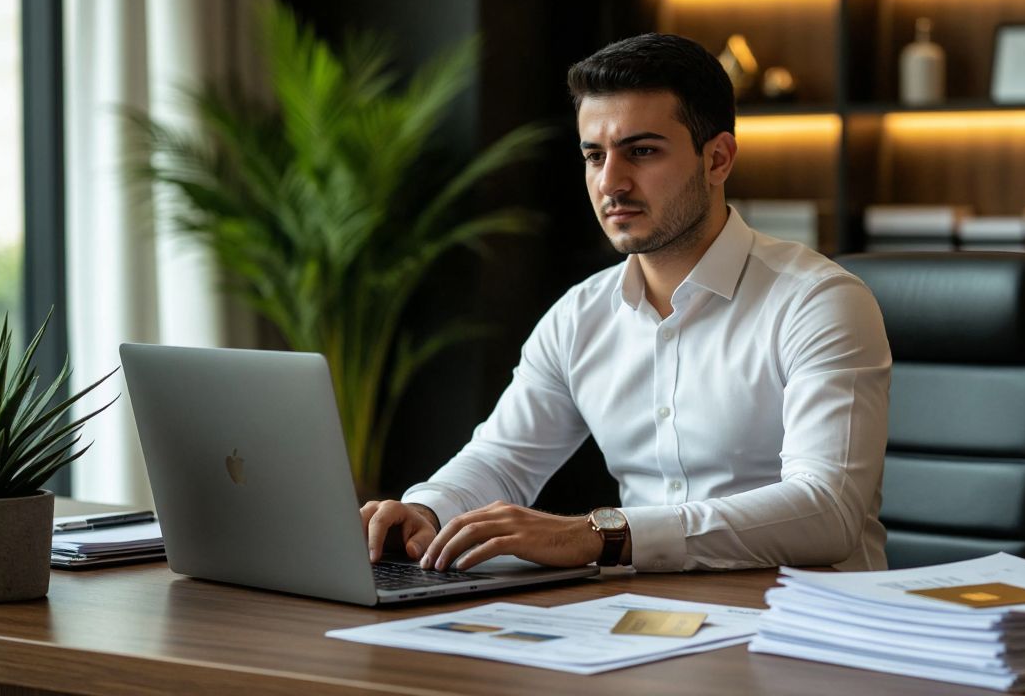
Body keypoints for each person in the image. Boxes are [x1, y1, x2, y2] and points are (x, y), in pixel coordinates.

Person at [360, 32, 891, 574]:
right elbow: (501, 460)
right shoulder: (578, 317)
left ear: (718, 159)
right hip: (641, 624)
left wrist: (601, 535)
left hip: (808, 632)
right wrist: (425, 507)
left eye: (641, 151)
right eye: (594, 156)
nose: (610, 182)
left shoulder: (818, 302)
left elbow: (827, 510)